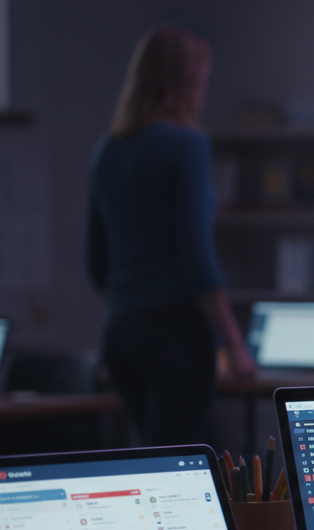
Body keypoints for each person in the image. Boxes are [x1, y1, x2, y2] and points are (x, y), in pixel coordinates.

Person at [87, 26, 255, 447]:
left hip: (120, 333)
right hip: (174, 334)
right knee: (178, 464)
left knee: (172, 455)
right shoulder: (186, 145)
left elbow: (96, 263)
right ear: (188, 82)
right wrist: (235, 344)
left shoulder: (107, 149)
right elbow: (197, 262)